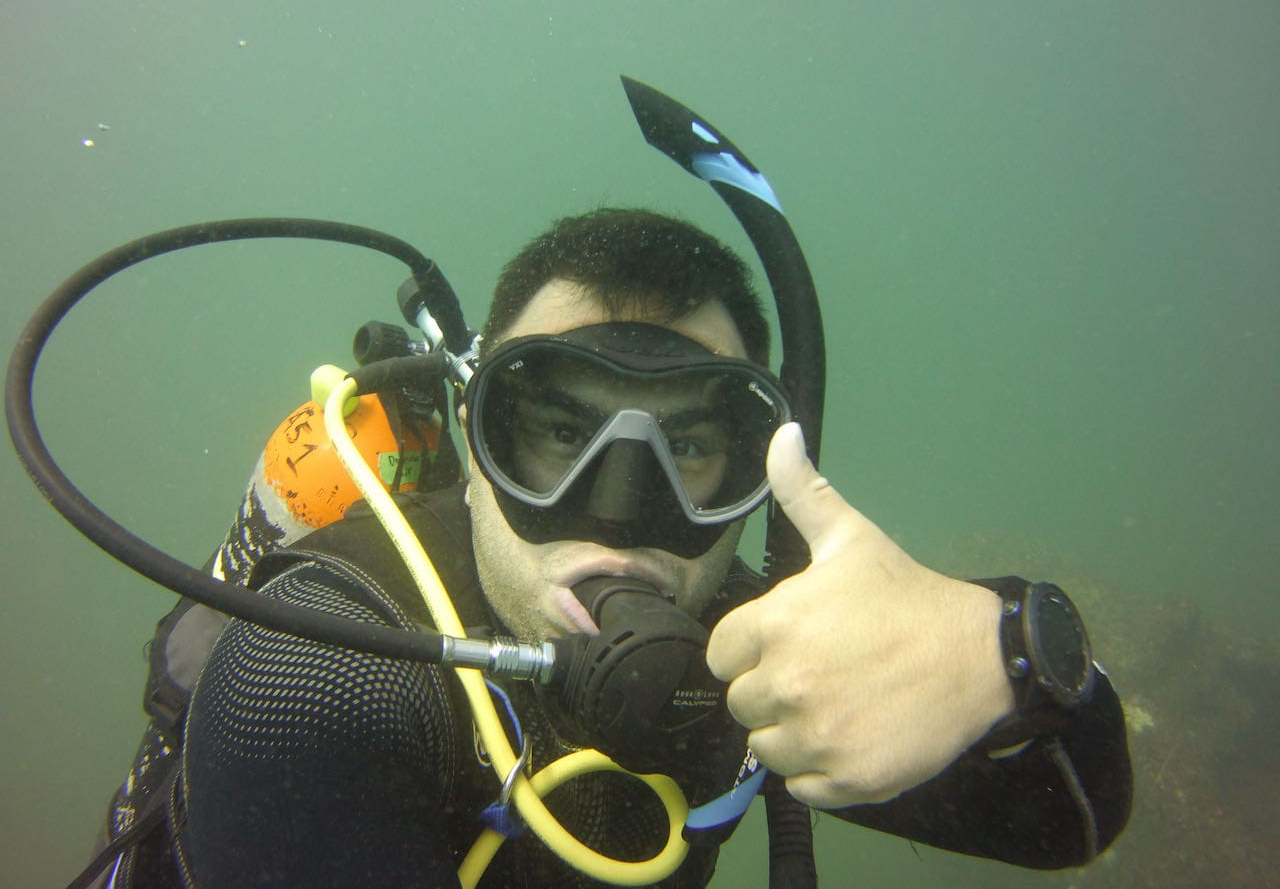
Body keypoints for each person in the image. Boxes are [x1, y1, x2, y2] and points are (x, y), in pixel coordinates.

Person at [94, 208, 1131, 888]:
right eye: (554, 430)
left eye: (687, 444)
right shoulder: (326, 665)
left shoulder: (751, 657)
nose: (623, 511)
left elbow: (1064, 823)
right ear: (471, 437)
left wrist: (1009, 654)